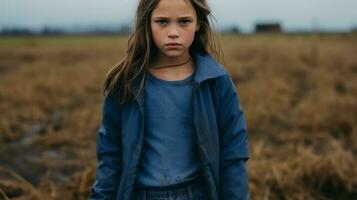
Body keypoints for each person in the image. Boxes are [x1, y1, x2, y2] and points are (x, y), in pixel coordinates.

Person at [89, 0, 250, 199]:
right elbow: (110, 156)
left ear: (198, 23)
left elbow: (233, 155)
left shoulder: (217, 82)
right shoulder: (126, 84)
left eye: (184, 22)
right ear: (147, 22)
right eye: (162, 22)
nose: (173, 32)